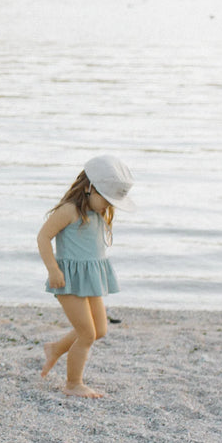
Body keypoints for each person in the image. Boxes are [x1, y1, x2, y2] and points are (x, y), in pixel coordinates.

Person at [36, 155, 136, 398]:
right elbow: (43, 237)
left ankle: (56, 348)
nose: (107, 205)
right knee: (87, 334)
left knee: (99, 330)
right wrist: (53, 269)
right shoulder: (69, 210)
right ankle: (73, 384)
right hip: (68, 280)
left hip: (90, 279)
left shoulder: (98, 212)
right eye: (106, 198)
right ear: (89, 187)